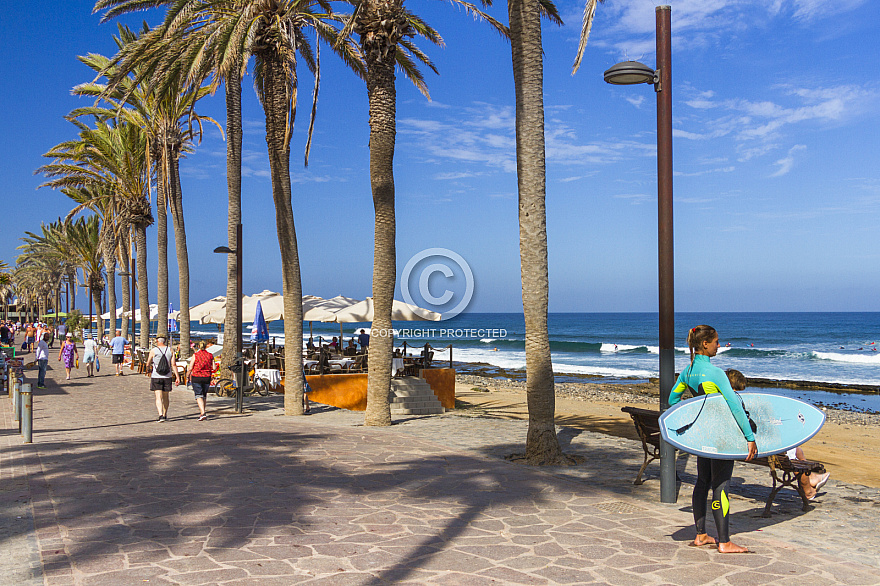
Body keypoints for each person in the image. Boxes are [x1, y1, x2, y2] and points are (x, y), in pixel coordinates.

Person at [669, 325, 757, 554]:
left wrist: (695, 417)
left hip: (702, 437)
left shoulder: (687, 373)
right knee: (721, 486)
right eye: (716, 341)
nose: (719, 345)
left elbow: (672, 399)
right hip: (720, 437)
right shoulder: (716, 373)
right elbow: (735, 406)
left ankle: (701, 535)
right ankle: (725, 541)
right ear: (705, 344)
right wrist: (750, 437)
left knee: (702, 482)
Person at [725, 368, 831, 500]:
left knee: (798, 451)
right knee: (792, 456)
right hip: (760, 450)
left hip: (746, 447)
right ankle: (808, 490)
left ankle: (811, 478)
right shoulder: (738, 403)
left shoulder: (724, 403)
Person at [149, 336, 178, 422]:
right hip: (167, 376)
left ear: (157, 340)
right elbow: (173, 364)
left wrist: (148, 368)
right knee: (166, 396)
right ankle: (165, 414)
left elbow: (148, 362)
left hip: (156, 376)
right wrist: (177, 376)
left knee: (158, 397)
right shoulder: (170, 350)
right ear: (165, 341)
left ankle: (160, 414)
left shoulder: (153, 350)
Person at [187, 341, 214, 421]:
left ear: (198, 346)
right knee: (204, 395)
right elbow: (214, 367)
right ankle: (203, 412)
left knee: (198, 395)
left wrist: (188, 374)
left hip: (197, 376)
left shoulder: (195, 355)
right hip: (207, 376)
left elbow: (191, 367)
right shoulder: (210, 355)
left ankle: (203, 413)